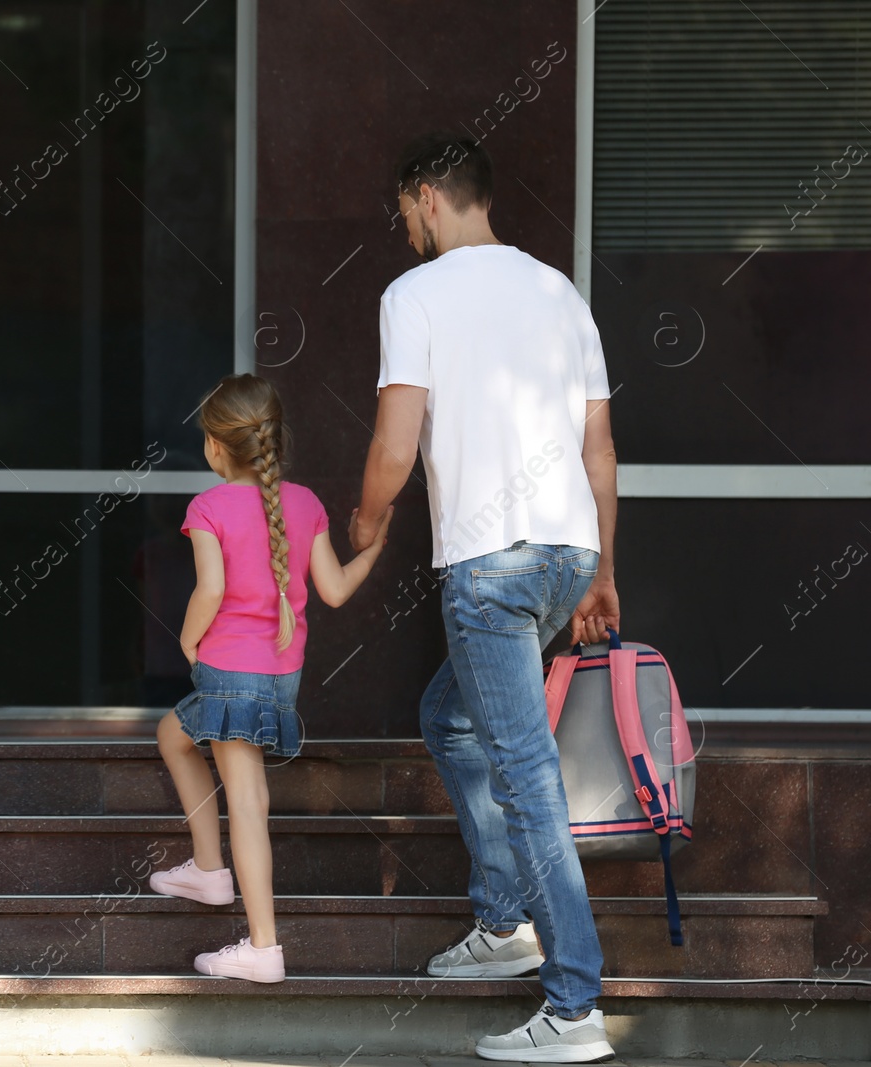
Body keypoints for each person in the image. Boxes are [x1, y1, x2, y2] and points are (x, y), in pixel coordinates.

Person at [349, 134, 621, 1062]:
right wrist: (605, 572)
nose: (406, 229)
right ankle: (504, 920)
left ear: (427, 197)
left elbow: (395, 443)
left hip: (491, 569)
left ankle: (575, 1004)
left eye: (404, 212)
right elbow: (600, 454)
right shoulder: (558, 290)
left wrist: (367, 516)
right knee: (453, 717)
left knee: (526, 772)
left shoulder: (414, 294)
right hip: (566, 555)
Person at [149, 373, 390, 983]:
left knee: (248, 803)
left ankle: (263, 947)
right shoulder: (304, 503)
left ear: (214, 446)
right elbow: (333, 591)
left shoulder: (207, 506)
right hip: (280, 677)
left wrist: (186, 638)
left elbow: (212, 588)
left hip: (230, 670)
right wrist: (374, 549)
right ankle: (208, 870)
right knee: (174, 735)